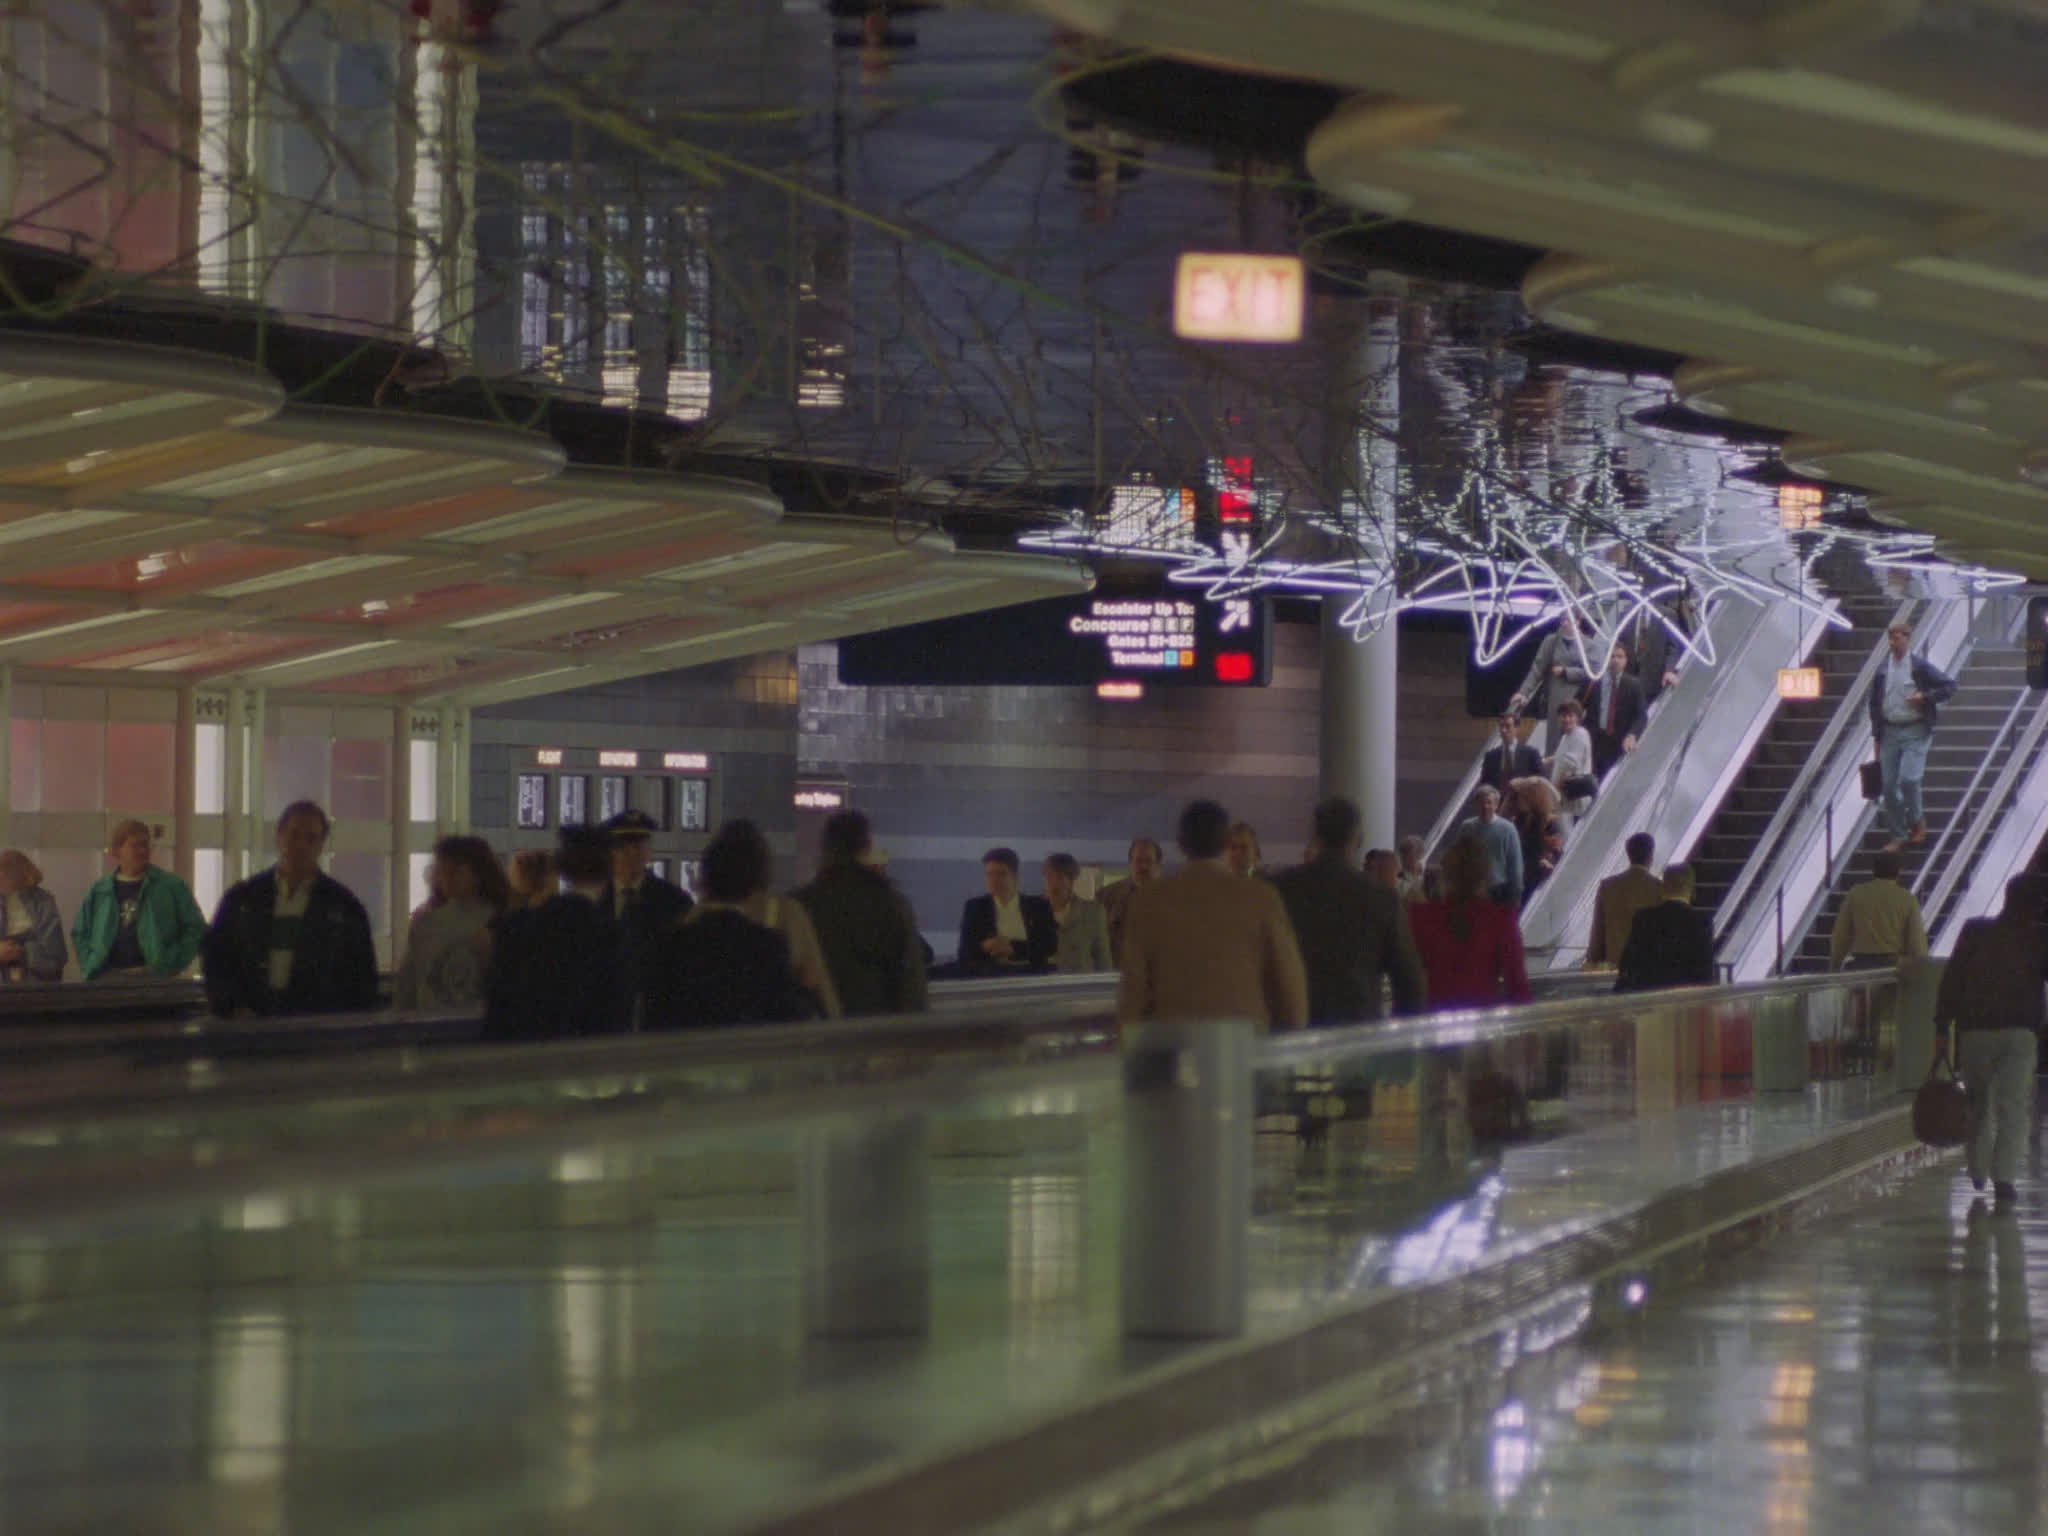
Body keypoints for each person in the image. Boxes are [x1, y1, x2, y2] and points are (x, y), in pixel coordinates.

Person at [1117, 799, 1308, 1032]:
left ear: (1180, 843)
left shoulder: (1149, 901)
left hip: (1173, 1047)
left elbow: (1132, 993)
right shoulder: (1261, 898)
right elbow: (1290, 990)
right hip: (1244, 1046)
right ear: (1224, 843)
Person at [202, 801, 377, 1018]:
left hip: (318, 1032)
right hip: (249, 1028)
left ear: (322, 844)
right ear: (279, 836)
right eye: (294, 835)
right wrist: (230, 1006)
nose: (301, 845)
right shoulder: (242, 899)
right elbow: (216, 960)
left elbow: (362, 979)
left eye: (311, 838)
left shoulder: (344, 907)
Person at [1935, 874, 2046, 1203]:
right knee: (2014, 1107)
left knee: (1979, 1104)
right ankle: (2004, 1179)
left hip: (1975, 1032)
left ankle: (1979, 1171)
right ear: (2036, 906)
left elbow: (1952, 980)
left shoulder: (1974, 931)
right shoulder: (2038, 937)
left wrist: (1941, 1028)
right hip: (2020, 1033)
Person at [647, 821, 819, 1028]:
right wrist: (806, 990)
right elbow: (786, 1015)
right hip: (745, 1057)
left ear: (704, 881)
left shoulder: (669, 943)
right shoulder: (768, 945)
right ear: (755, 884)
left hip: (684, 1057)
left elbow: (654, 1018)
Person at [1272, 799, 1425, 1025]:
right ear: (1358, 839)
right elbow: (1410, 985)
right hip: (1358, 1033)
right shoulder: (1381, 899)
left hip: (1297, 1033)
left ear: (1316, 835)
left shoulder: (1281, 890)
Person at [484, 826, 627, 1040]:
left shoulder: (516, 925)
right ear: (610, 866)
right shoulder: (612, 933)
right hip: (587, 1058)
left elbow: (498, 1002)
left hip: (520, 1054)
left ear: (561, 865)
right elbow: (614, 1012)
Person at [796, 810, 927, 1016]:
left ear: (824, 847)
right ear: (865, 847)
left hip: (814, 1033)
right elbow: (911, 986)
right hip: (875, 1031)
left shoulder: (800, 905)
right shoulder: (891, 903)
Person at [72, 819, 206, 981]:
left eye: (146, 845)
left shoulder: (171, 887)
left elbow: (195, 929)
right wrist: (90, 963)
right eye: (135, 845)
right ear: (117, 850)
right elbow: (80, 932)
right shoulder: (100, 891)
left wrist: (171, 962)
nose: (142, 851)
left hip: (155, 978)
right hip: (107, 977)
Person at [1407, 836, 1529, 1009]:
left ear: (1446, 874)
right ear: (1485, 876)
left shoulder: (1419, 916)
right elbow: (1518, 988)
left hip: (1433, 1023)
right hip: (1482, 1025)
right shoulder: (1500, 920)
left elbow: (1407, 979)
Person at [1868, 620, 1956, 852]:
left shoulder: (1918, 666)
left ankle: (1917, 820)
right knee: (1888, 786)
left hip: (1915, 729)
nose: (1893, 642)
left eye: (1897, 637)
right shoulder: (1882, 670)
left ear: (1907, 638)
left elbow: (1948, 686)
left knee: (1909, 778)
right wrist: (1876, 737)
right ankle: (1898, 833)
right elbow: (1874, 705)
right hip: (1890, 731)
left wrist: (1925, 697)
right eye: (1890, 638)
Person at [394, 835, 510, 1010]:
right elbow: (408, 984)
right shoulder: (425, 923)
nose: (447, 878)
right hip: (428, 1024)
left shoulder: (500, 920)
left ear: (479, 874)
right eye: (442, 870)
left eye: (456, 871)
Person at [599, 808, 693, 1025]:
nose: (633, 853)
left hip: (659, 1012)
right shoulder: (596, 899)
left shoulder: (673, 900)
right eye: (623, 847)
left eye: (639, 845)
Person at [1614, 864, 1716, 993]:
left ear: (1663, 888)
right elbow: (1705, 974)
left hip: (1648, 1000)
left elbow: (1627, 964)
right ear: (1692, 890)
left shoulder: (1643, 918)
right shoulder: (1701, 922)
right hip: (1684, 1003)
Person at [958, 846, 1056, 974]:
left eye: (1001, 874)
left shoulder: (1038, 905)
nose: (994, 880)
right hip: (990, 976)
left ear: (1015, 876)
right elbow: (964, 952)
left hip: (1031, 975)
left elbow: (1050, 946)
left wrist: (1012, 948)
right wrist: (985, 946)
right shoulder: (975, 907)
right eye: (989, 874)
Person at [1830, 849, 1928, 971]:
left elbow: (1841, 936)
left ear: (1873, 870)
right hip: (1892, 968)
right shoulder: (1907, 899)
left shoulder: (1856, 894)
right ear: (1898, 872)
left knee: (1858, 990)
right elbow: (1916, 942)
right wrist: (1921, 969)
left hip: (1860, 967)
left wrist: (1835, 965)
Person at [1508, 610, 1591, 753]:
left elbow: (1594, 672)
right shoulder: (1551, 641)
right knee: (1554, 744)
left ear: (1578, 622)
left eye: (1569, 620)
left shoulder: (1589, 645)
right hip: (1555, 700)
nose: (1565, 624)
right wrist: (1523, 692)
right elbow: (1537, 669)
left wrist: (1566, 672)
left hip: (1579, 700)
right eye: (1562, 620)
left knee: (1576, 743)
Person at [1586, 832, 1664, 970]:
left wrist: (1592, 958)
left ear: (1628, 855)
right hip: (1648, 969)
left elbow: (1598, 930)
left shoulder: (1607, 887)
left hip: (1616, 969)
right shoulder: (1659, 888)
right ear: (1651, 856)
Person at [1581, 641, 1647, 778]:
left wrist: (1632, 735)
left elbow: (1641, 716)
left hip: (1619, 744)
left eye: (1619, 656)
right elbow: (1579, 706)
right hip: (1595, 743)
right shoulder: (1594, 682)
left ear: (1626, 660)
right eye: (1611, 656)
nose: (1615, 660)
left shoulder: (1634, 685)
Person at [0, 850, 68, 983]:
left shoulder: (44, 901)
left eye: (6, 873)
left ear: (21, 874)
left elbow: (56, 955)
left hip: (38, 985)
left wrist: (21, 952)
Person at [1454, 785, 1523, 909]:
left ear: (1496, 805)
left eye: (1489, 803)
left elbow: (1515, 862)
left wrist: (1516, 893)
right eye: (1481, 803)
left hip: (1499, 890)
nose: (1485, 807)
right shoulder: (1467, 827)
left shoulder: (1508, 829)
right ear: (1475, 805)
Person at [1043, 852, 1111, 973]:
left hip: (1079, 985)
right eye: (1048, 876)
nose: (1053, 883)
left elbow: (1103, 958)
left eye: (1059, 877)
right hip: (1045, 984)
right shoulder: (1035, 911)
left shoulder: (1092, 911)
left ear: (1071, 880)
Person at [1099, 836, 1162, 964]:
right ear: (1130, 863)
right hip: (1118, 972)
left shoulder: (1173, 897)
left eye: (1148, 861)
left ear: (1158, 864)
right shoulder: (1107, 896)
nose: (1143, 866)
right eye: (1138, 860)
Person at [1546, 698, 1597, 826]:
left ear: (1577, 717)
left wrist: (1555, 789)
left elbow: (1571, 764)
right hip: (1564, 798)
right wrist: (1548, 760)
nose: (1567, 719)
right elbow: (1561, 757)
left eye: (1570, 716)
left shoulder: (1580, 734)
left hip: (1575, 796)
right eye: (1563, 716)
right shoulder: (1565, 736)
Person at [1481, 714, 1543, 800]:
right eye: (1501, 726)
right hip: (1498, 807)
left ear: (1517, 728)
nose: (1503, 730)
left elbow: (1541, 781)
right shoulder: (1491, 756)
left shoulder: (1531, 753)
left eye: (1507, 726)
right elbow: (1484, 784)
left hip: (1522, 805)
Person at [1395, 836, 1427, 904]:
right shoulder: (1396, 879)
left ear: (1420, 855)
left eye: (1409, 854)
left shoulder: (1429, 877)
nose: (1404, 858)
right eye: (1403, 854)